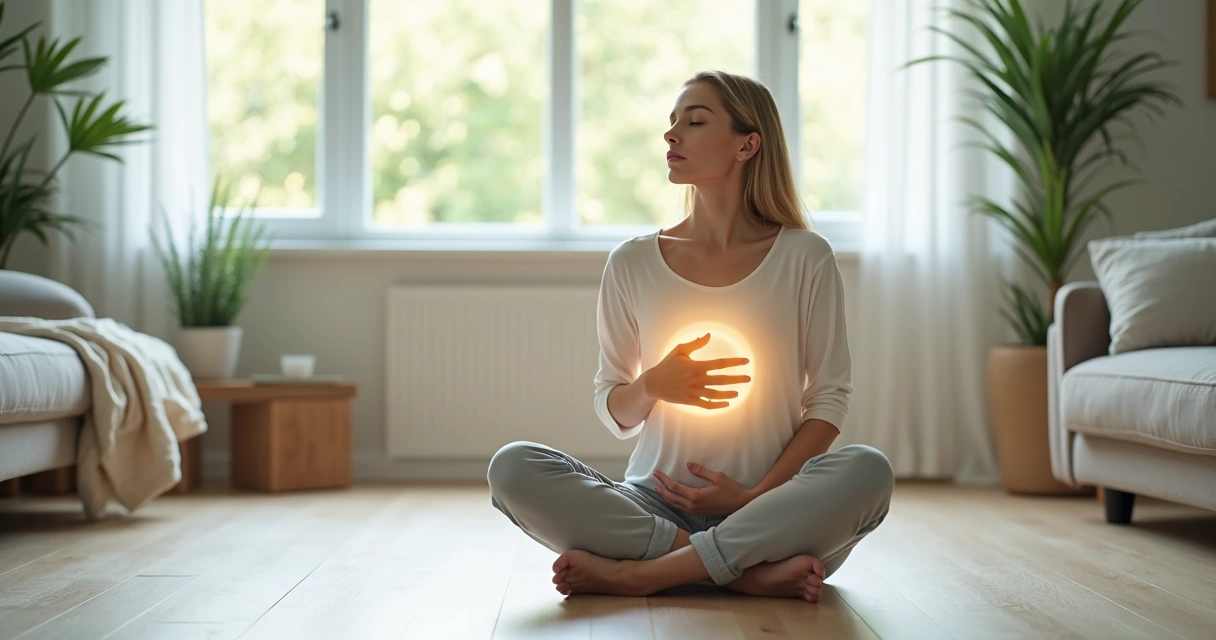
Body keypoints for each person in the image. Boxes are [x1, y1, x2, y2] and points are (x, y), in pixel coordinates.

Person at [487, 70, 893, 603]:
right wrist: (654, 383)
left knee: (868, 471)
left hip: (772, 512)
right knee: (512, 467)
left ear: (748, 144)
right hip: (653, 507)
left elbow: (828, 400)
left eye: (694, 121)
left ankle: (643, 575)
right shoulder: (632, 262)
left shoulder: (805, 256)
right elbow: (616, 411)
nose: (671, 135)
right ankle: (742, 574)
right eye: (672, 121)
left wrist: (754, 497)